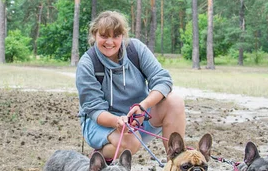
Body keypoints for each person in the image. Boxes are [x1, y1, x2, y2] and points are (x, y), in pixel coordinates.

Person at [76, 10, 186, 162]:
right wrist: (117, 122)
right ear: (94, 35)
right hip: (103, 123)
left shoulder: (136, 49)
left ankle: (175, 165)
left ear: (123, 36)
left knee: (175, 101)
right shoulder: (87, 64)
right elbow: (95, 109)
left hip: (138, 118)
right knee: (129, 143)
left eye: (115, 36)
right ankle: (100, 157)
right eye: (104, 36)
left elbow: (163, 80)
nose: (110, 42)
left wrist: (143, 106)